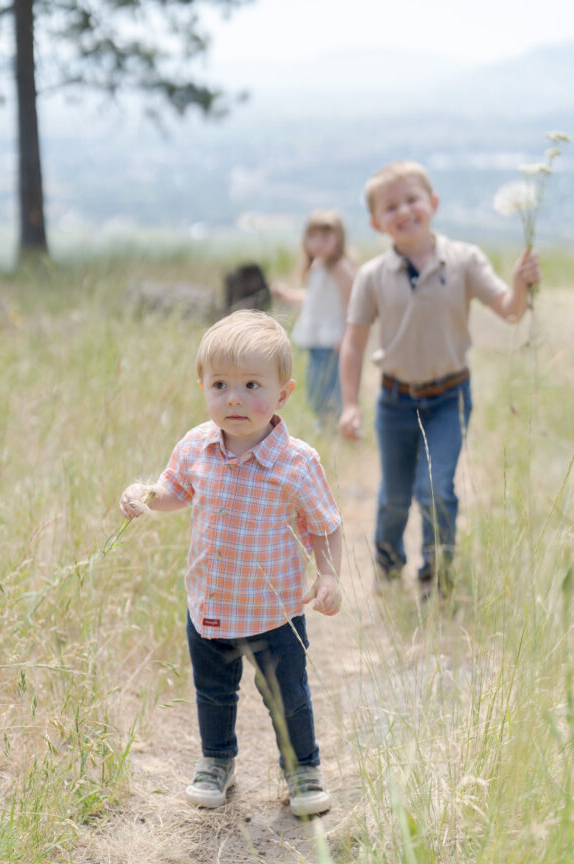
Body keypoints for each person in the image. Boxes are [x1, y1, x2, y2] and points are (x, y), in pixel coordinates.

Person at [120, 310, 342, 816]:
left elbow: (326, 524)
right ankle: (217, 760)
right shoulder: (197, 445)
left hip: (275, 612)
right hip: (212, 607)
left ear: (283, 394)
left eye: (250, 385)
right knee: (214, 694)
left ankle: (302, 771)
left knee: (289, 698)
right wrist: (143, 494)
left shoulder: (297, 461)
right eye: (220, 384)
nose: (234, 398)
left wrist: (328, 573)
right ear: (203, 386)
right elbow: (174, 491)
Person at [339, 161, 540, 596]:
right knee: (395, 495)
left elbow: (509, 310)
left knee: (435, 488)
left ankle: (437, 572)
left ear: (432, 203)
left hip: (450, 398)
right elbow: (353, 344)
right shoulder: (372, 276)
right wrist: (351, 404)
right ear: (377, 222)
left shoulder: (464, 259)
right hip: (395, 402)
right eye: (391, 206)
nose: (404, 211)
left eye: (412, 199)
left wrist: (521, 284)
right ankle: (389, 567)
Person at [272, 211, 356, 418]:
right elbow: (313, 299)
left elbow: (351, 303)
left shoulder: (339, 268)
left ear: (339, 240)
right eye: (313, 237)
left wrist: (347, 335)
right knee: (315, 385)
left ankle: (332, 423)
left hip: (332, 338)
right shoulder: (317, 266)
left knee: (328, 387)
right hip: (317, 337)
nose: (318, 243)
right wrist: (288, 295)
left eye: (325, 238)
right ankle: (325, 421)